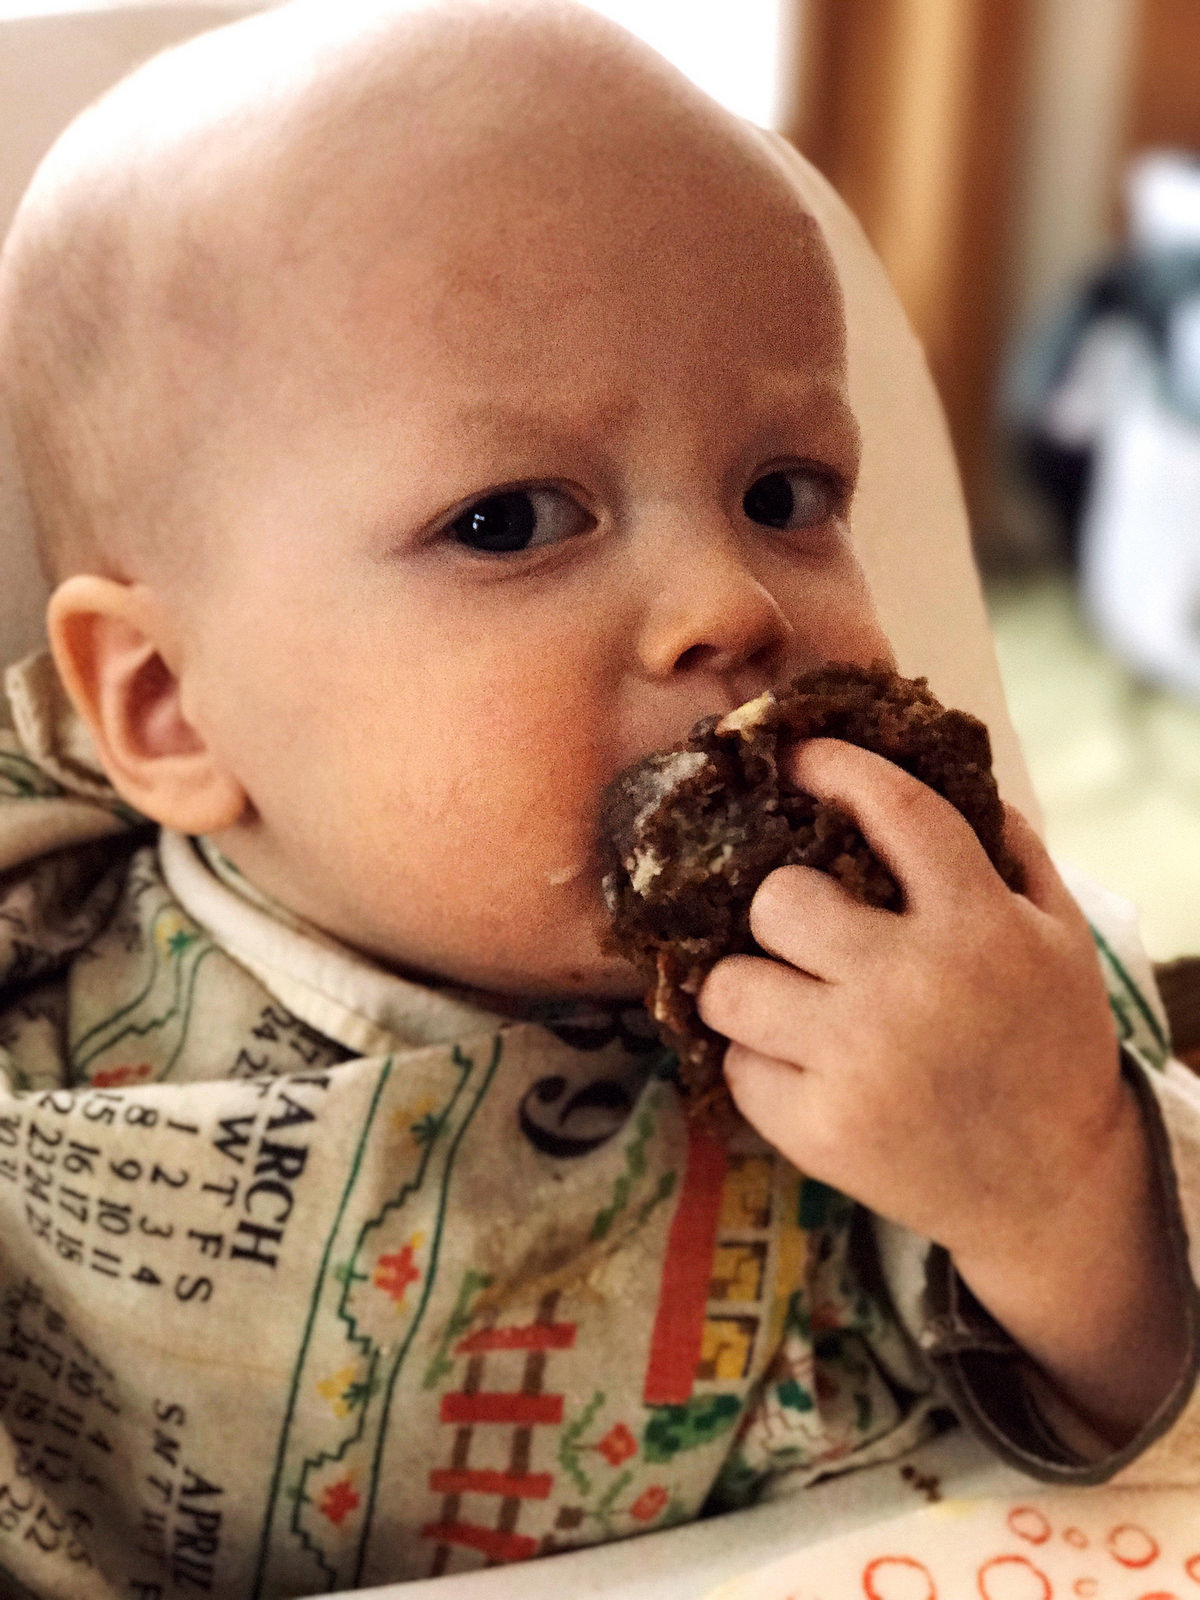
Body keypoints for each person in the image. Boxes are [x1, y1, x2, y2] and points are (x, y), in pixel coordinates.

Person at [0, 2, 1197, 1594]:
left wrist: (1057, 1185)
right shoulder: (49, 1046)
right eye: (510, 521)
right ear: (166, 707)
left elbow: (1156, 1436)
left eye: (786, 494)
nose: (730, 603)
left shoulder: (957, 992)